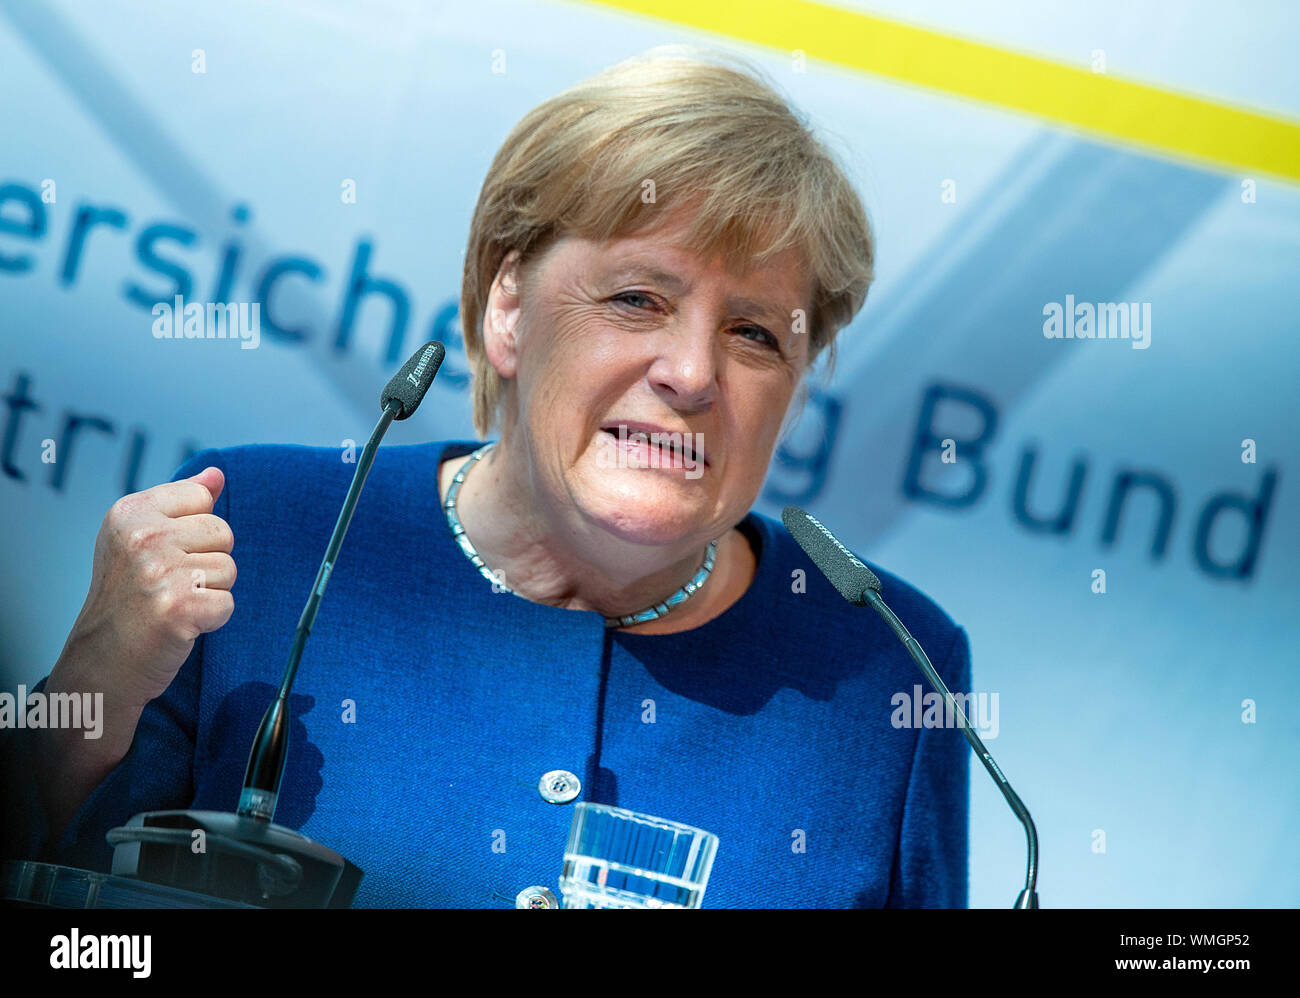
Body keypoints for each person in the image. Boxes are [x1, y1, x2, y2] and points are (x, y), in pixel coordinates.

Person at [5, 46, 970, 907]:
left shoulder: (887, 665)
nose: (692, 373)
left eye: (754, 333)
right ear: (508, 309)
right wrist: (88, 684)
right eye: (637, 298)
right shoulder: (258, 533)